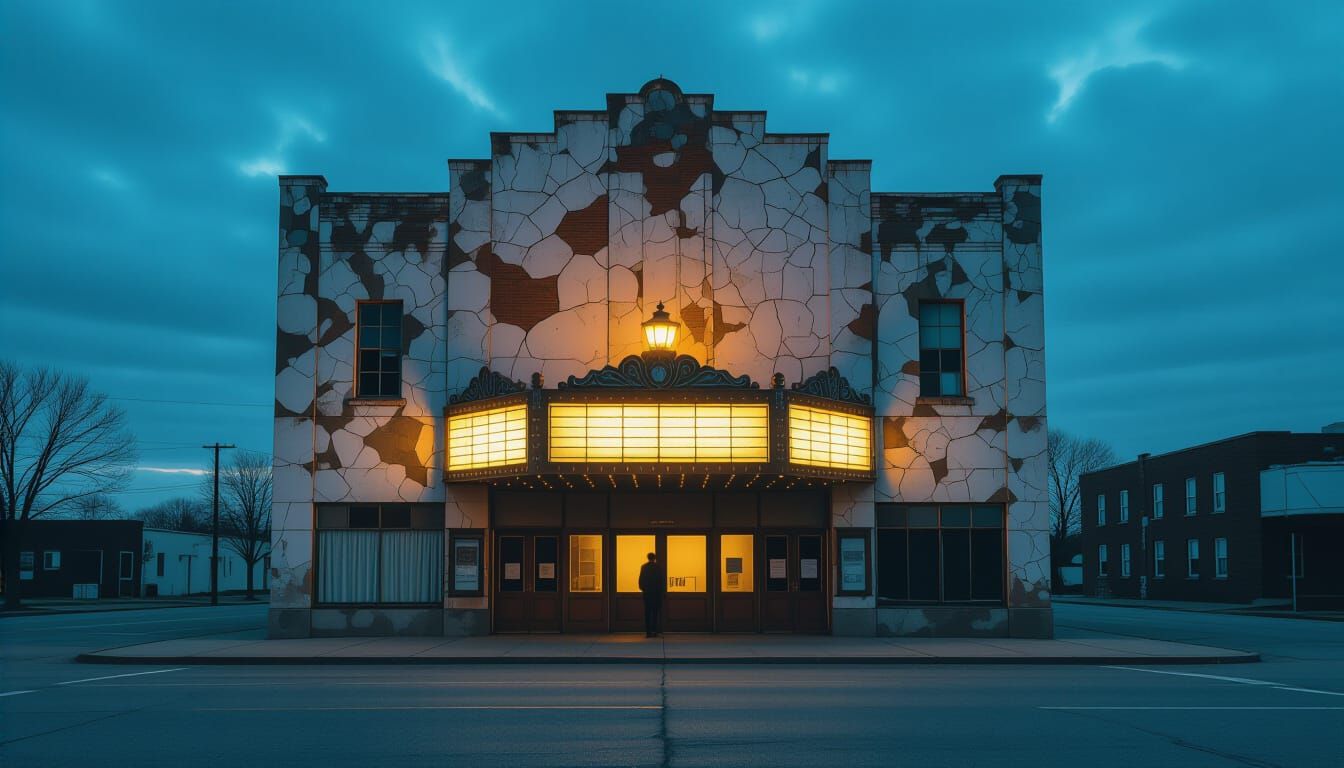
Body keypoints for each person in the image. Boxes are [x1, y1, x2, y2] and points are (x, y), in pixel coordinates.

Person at [638, 552, 664, 638]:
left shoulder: (644, 567)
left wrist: (643, 589)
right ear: (655, 558)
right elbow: (661, 581)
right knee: (655, 613)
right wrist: (661, 592)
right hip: (656, 594)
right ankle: (655, 631)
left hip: (647, 593)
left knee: (647, 613)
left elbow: (641, 580)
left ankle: (648, 632)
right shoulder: (658, 567)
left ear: (648, 558)